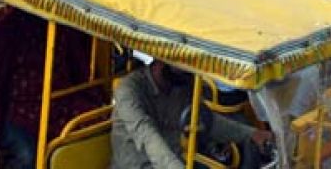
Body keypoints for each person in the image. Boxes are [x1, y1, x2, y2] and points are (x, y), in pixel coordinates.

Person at [0, 9, 102, 169]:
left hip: (61, 104)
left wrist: (98, 100)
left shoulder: (63, 24)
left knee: (98, 125)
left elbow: (78, 68)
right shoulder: (7, 30)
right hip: (19, 113)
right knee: (29, 156)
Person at [111, 57, 273, 169]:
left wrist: (252, 134)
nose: (187, 75)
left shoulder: (179, 85)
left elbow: (204, 120)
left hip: (175, 161)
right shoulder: (129, 90)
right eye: (183, 69)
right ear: (161, 61)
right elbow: (148, 137)